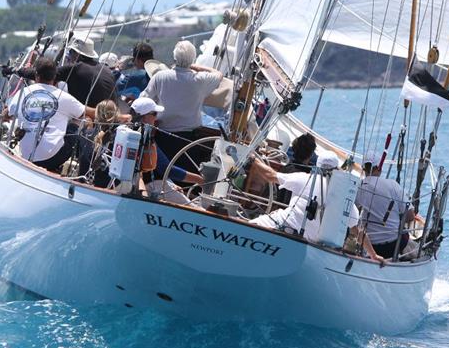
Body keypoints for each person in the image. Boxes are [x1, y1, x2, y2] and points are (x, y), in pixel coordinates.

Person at [248, 153, 385, 264]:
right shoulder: (343, 197)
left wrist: (254, 160)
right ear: (337, 170)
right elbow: (358, 230)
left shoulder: (303, 178)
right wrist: (373, 255)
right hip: (306, 246)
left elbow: (270, 176)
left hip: (280, 226)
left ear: (316, 166)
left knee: (250, 225)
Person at [140, 40, 222, 170]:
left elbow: (143, 101)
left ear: (174, 57)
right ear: (193, 59)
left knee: (162, 173)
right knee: (183, 177)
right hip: (188, 141)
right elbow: (218, 74)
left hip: (162, 136)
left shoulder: (160, 77)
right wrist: (194, 66)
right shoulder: (200, 80)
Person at [7, 58, 95, 173]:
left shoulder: (22, 93)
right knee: (80, 118)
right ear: (54, 76)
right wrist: (119, 116)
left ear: (36, 75)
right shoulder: (64, 97)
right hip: (53, 159)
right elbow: (92, 113)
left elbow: (7, 115)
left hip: (26, 156)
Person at [129, 97, 200, 205]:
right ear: (144, 117)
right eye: (154, 114)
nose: (156, 118)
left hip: (142, 183)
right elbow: (166, 169)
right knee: (194, 209)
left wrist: (170, 183)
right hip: (150, 186)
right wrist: (200, 180)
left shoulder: (127, 132)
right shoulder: (145, 138)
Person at [12, 38, 117, 108]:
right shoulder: (107, 70)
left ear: (77, 55)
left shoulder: (76, 68)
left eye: (71, 52)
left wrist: (15, 70)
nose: (68, 56)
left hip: (86, 116)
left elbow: (44, 73)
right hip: (108, 118)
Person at [357, 151, 416, 259]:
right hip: (393, 245)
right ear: (379, 167)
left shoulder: (358, 186)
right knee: (408, 238)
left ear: (364, 168)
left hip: (368, 246)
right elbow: (411, 216)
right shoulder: (393, 185)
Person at [77, 99, 120, 188]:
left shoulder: (85, 133)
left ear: (96, 114)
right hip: (106, 186)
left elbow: (79, 155)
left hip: (83, 181)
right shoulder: (119, 139)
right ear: (116, 115)